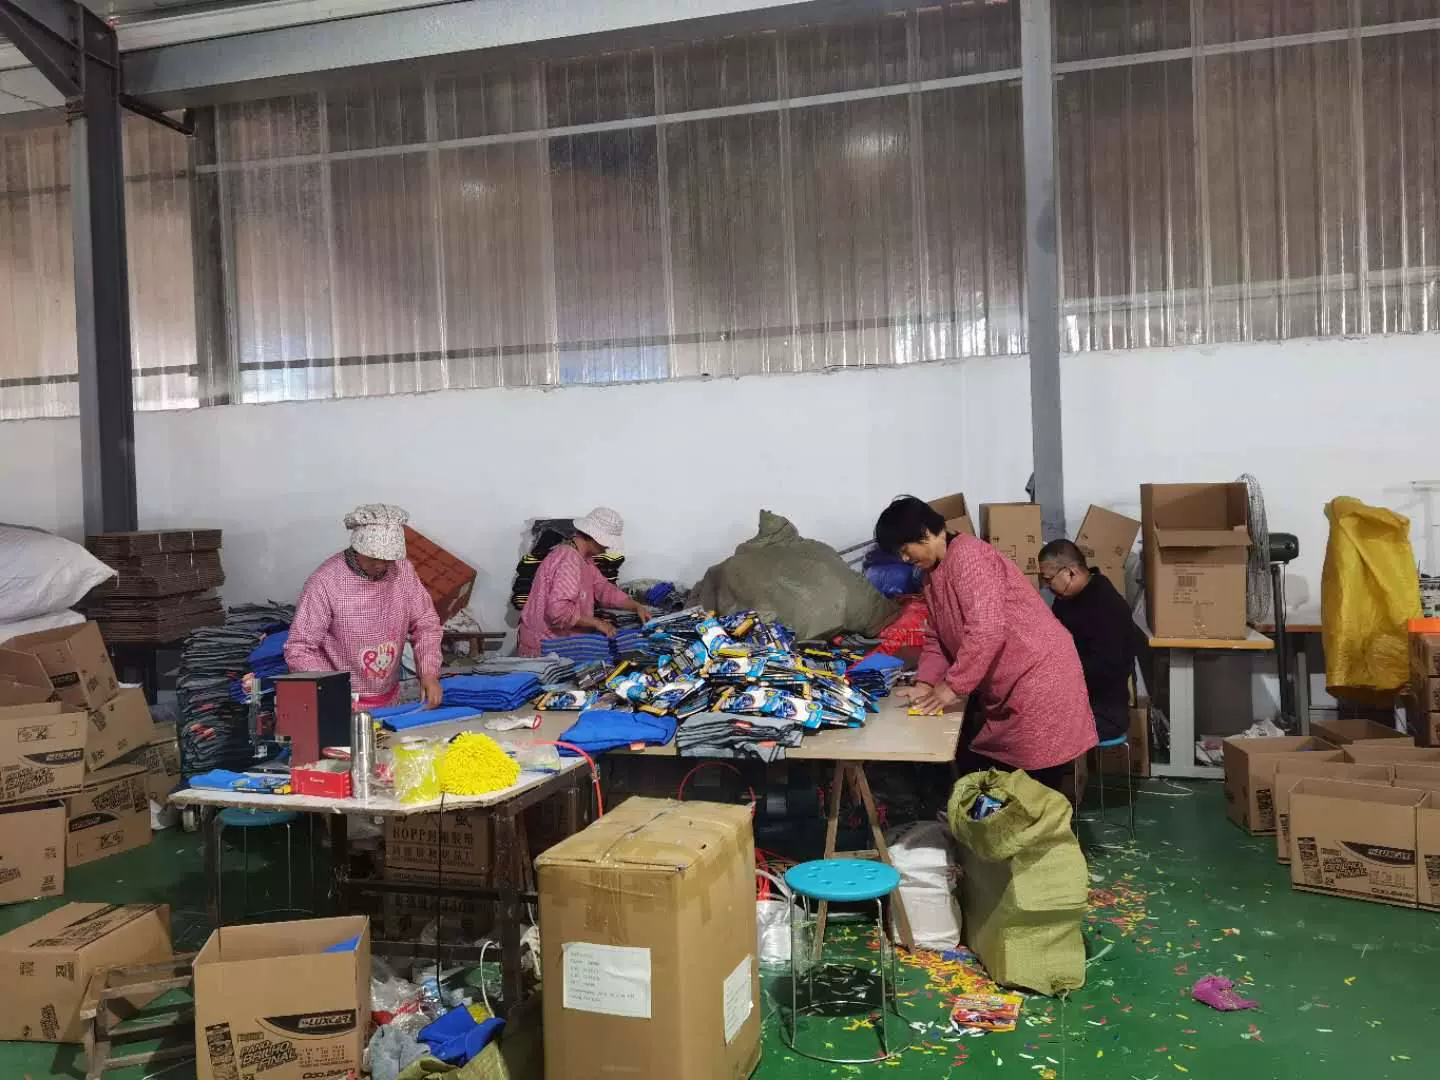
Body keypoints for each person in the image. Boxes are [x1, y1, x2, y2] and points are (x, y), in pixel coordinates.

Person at [873, 496, 1096, 791]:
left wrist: (951, 687)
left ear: (925, 533)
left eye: (904, 550)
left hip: (1039, 678)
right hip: (1013, 683)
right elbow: (937, 636)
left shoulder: (969, 557)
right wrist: (926, 683)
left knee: (1034, 789)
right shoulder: (931, 575)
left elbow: (986, 631)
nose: (904, 559)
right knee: (1002, 782)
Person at [285, 504, 444, 709]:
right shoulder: (325, 582)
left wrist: (429, 672)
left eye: (388, 560)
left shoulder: (403, 571)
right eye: (373, 558)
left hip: (389, 697)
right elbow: (300, 648)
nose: (381, 566)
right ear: (357, 548)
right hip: (340, 701)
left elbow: (426, 623)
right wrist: (334, 691)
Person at [1038, 538, 1140, 743]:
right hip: (1076, 700)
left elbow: (1105, 670)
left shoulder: (1106, 607)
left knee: (1031, 732)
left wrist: (1056, 673)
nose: (1046, 586)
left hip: (1103, 712)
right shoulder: (1068, 599)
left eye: (1049, 579)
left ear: (1070, 571)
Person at [516, 507, 651, 657]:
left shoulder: (583, 559)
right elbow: (558, 613)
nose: (607, 547)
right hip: (545, 647)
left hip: (558, 643)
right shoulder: (568, 560)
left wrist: (636, 606)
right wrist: (597, 623)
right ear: (592, 536)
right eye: (605, 542)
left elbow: (603, 589)